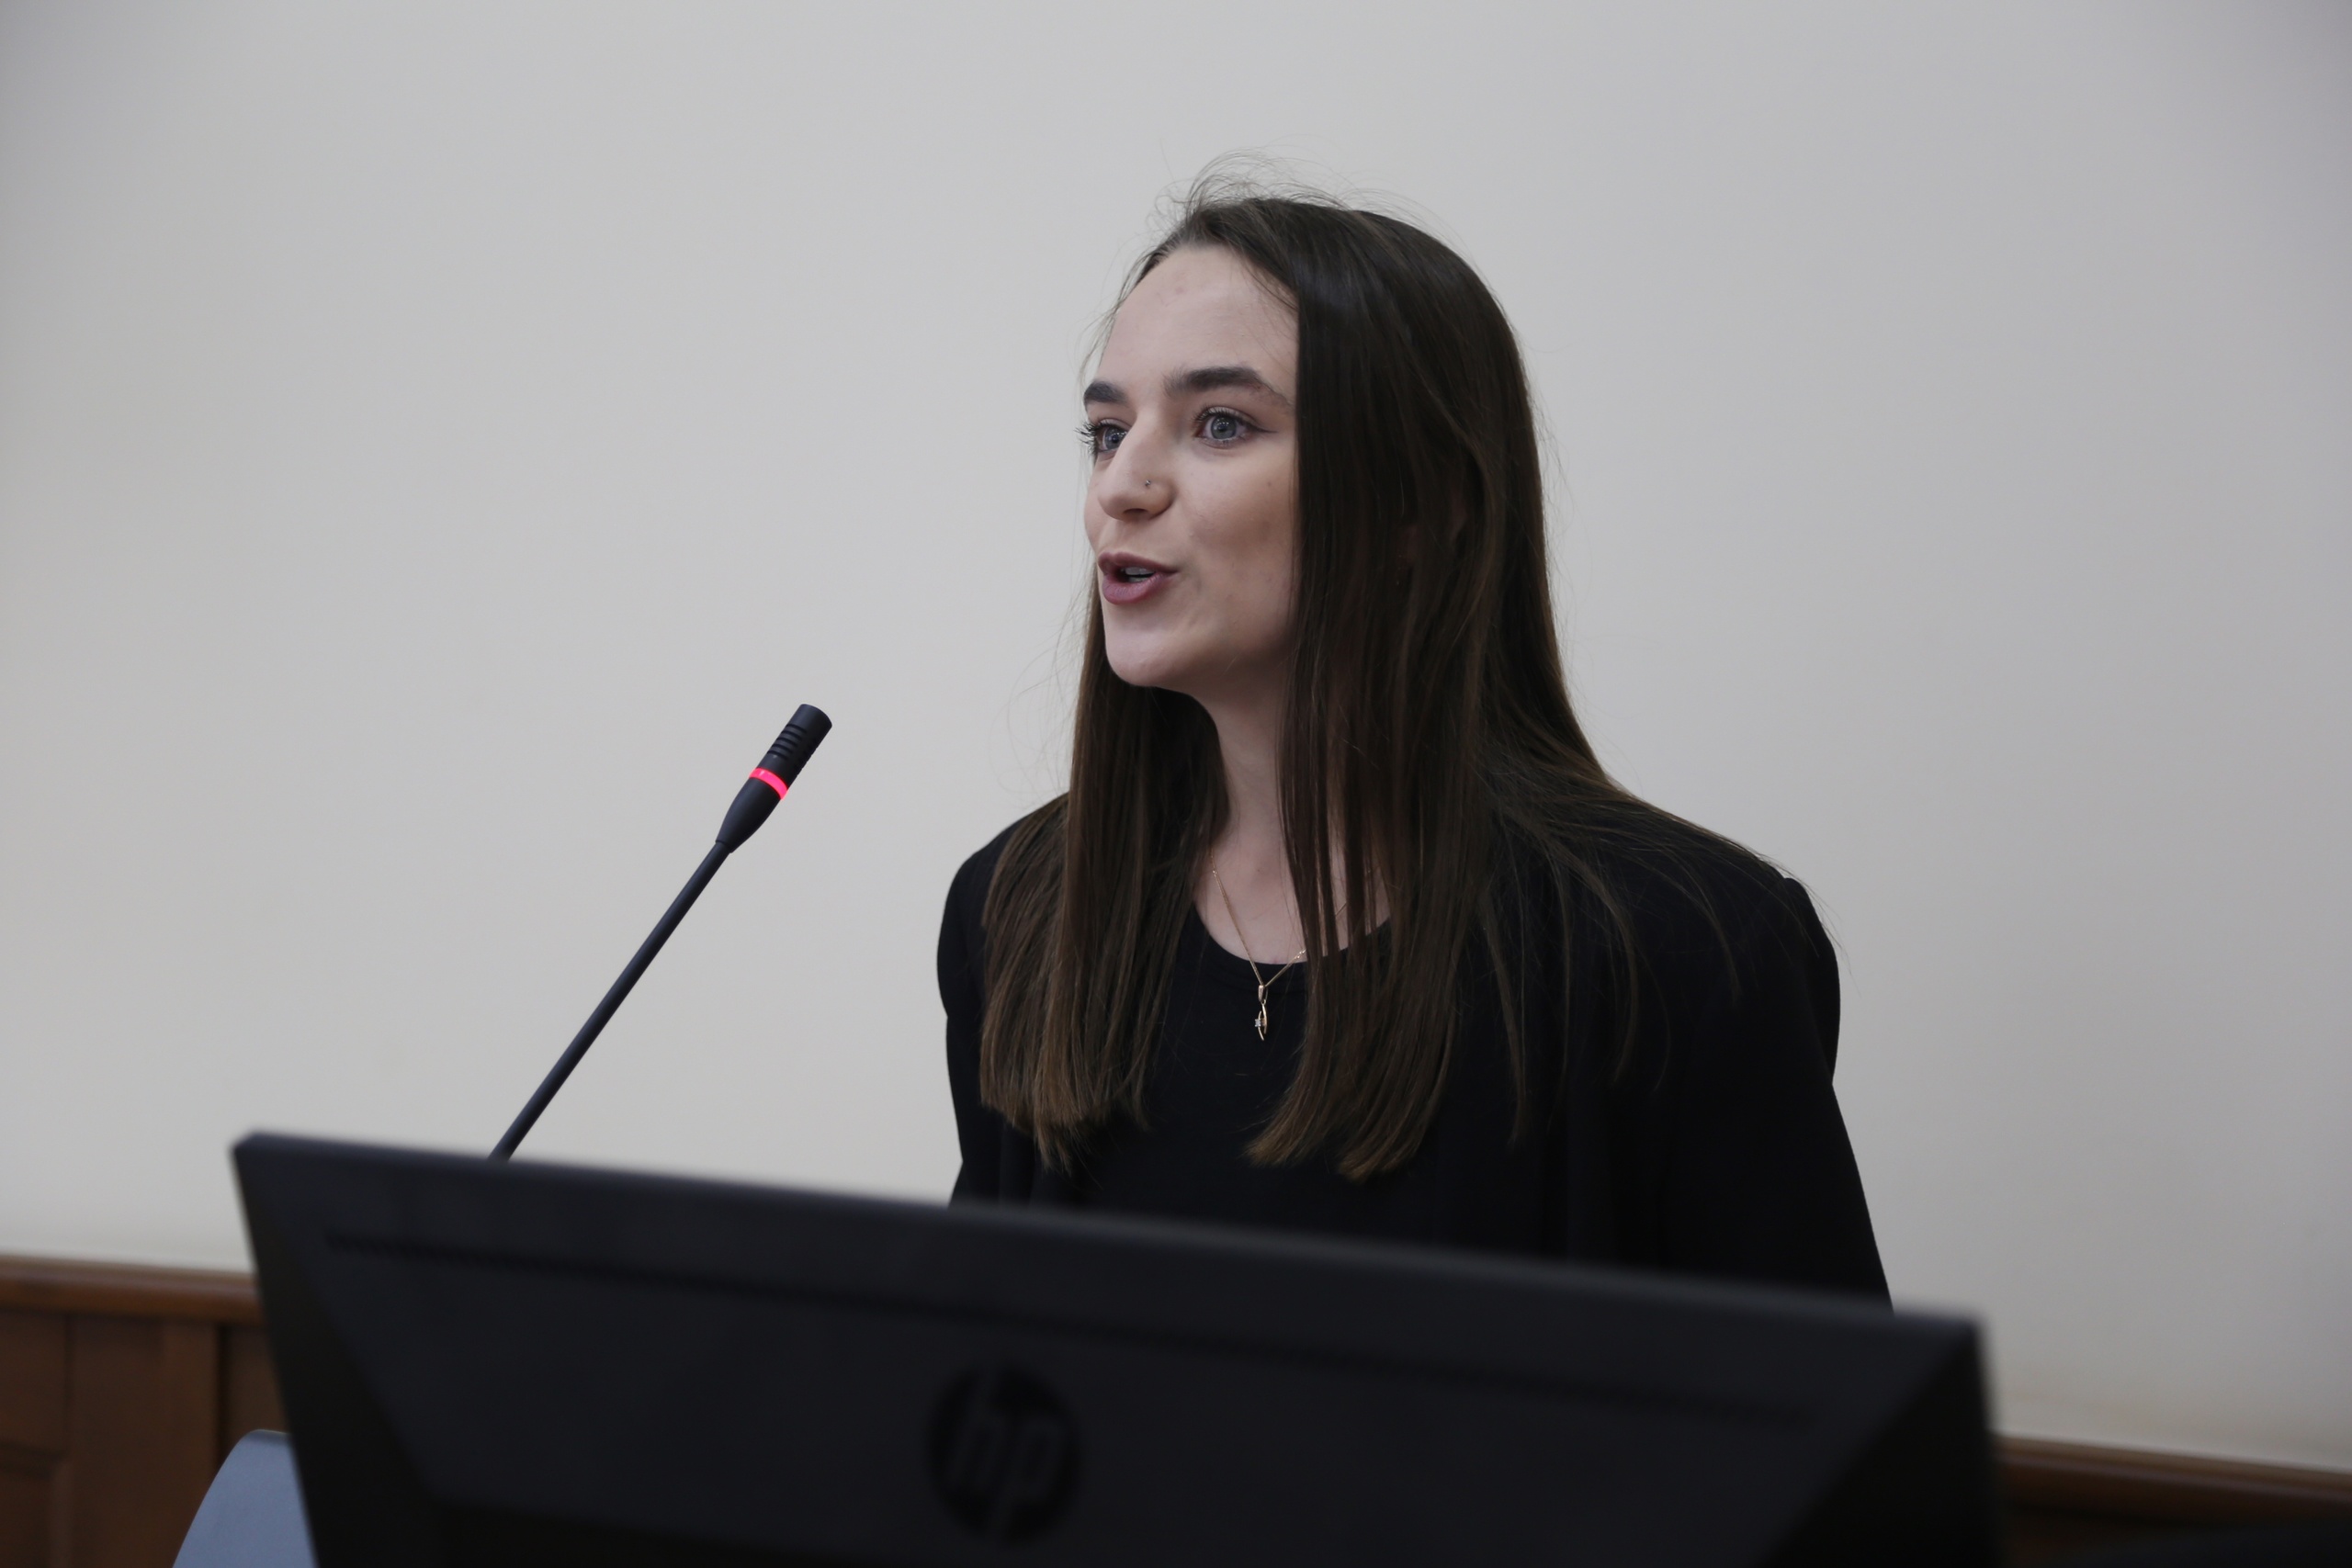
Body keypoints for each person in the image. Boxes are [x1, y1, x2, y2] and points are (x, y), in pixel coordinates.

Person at [938, 179, 1887, 1302]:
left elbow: (1809, 1413)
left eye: (1220, 423)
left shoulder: (1686, 957)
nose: (1121, 488)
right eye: (1106, 432)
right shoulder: (1020, 909)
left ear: (1421, 503)